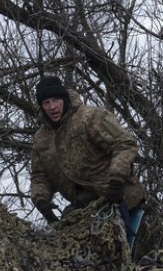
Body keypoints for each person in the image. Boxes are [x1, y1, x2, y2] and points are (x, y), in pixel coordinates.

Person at [30, 75, 145, 223]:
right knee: (62, 239)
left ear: (64, 99)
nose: (52, 107)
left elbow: (124, 144)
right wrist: (41, 201)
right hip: (82, 207)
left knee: (109, 237)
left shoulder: (91, 117)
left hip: (119, 194)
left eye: (56, 100)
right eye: (46, 102)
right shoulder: (41, 140)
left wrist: (116, 180)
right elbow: (39, 176)